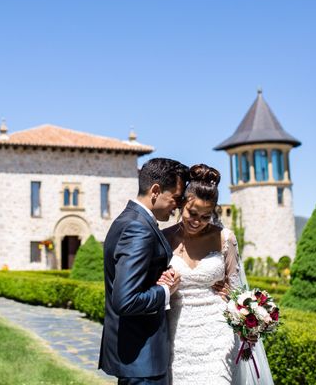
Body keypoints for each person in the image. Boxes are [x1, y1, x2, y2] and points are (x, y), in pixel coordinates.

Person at [160, 164, 273, 384]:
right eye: (192, 213)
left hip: (216, 332)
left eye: (205, 216)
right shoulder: (163, 238)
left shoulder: (225, 238)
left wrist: (238, 304)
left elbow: (238, 291)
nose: (197, 221)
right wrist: (163, 283)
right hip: (177, 333)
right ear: (182, 204)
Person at [99, 158, 189, 385]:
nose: (178, 207)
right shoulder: (138, 228)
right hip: (143, 359)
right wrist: (166, 290)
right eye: (176, 198)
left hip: (138, 359)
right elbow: (126, 300)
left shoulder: (129, 220)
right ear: (156, 191)